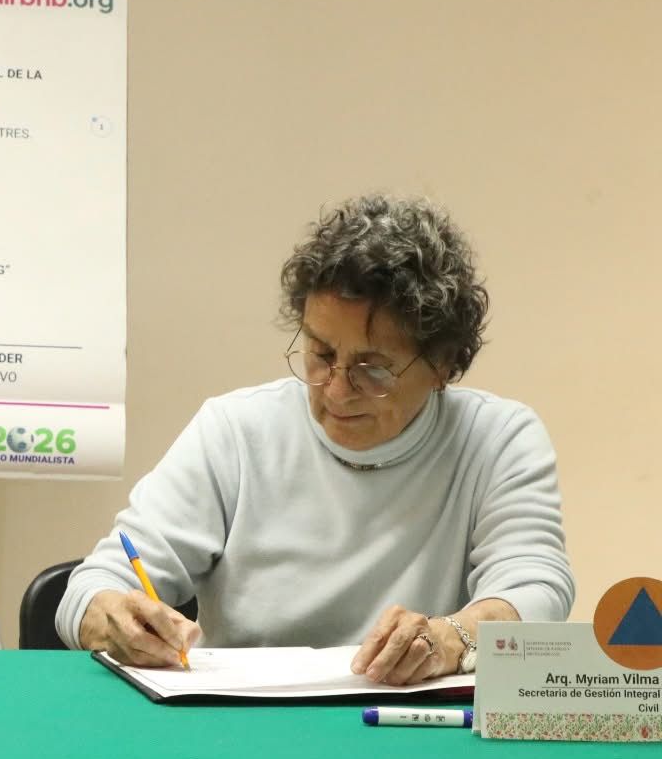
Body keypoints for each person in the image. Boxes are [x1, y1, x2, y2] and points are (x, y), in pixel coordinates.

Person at [58, 194, 574, 685]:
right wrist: (111, 614)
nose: (337, 390)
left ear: (443, 365)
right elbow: (91, 588)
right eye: (321, 355)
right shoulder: (236, 431)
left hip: (408, 730)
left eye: (373, 369)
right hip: (243, 725)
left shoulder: (497, 439)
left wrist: (453, 637)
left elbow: (535, 589)